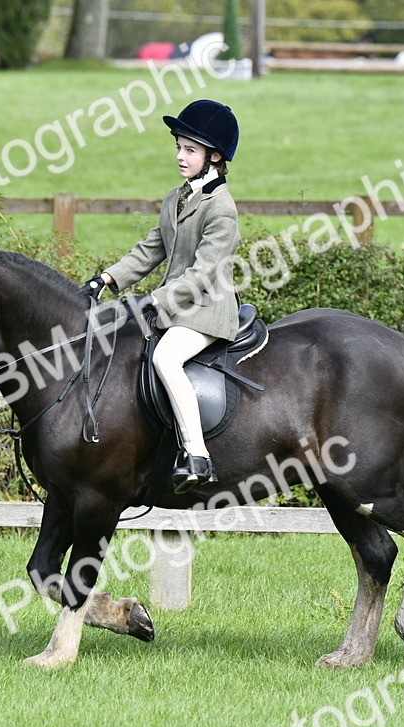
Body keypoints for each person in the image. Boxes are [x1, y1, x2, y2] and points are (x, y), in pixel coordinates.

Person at [80, 99, 241, 494]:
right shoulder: (177, 196)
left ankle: (197, 455)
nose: (180, 156)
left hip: (207, 310)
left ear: (214, 157)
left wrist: (155, 301)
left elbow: (203, 273)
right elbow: (150, 249)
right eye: (179, 147)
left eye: (190, 150)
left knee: (165, 358)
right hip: (176, 307)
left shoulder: (222, 208)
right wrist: (107, 279)